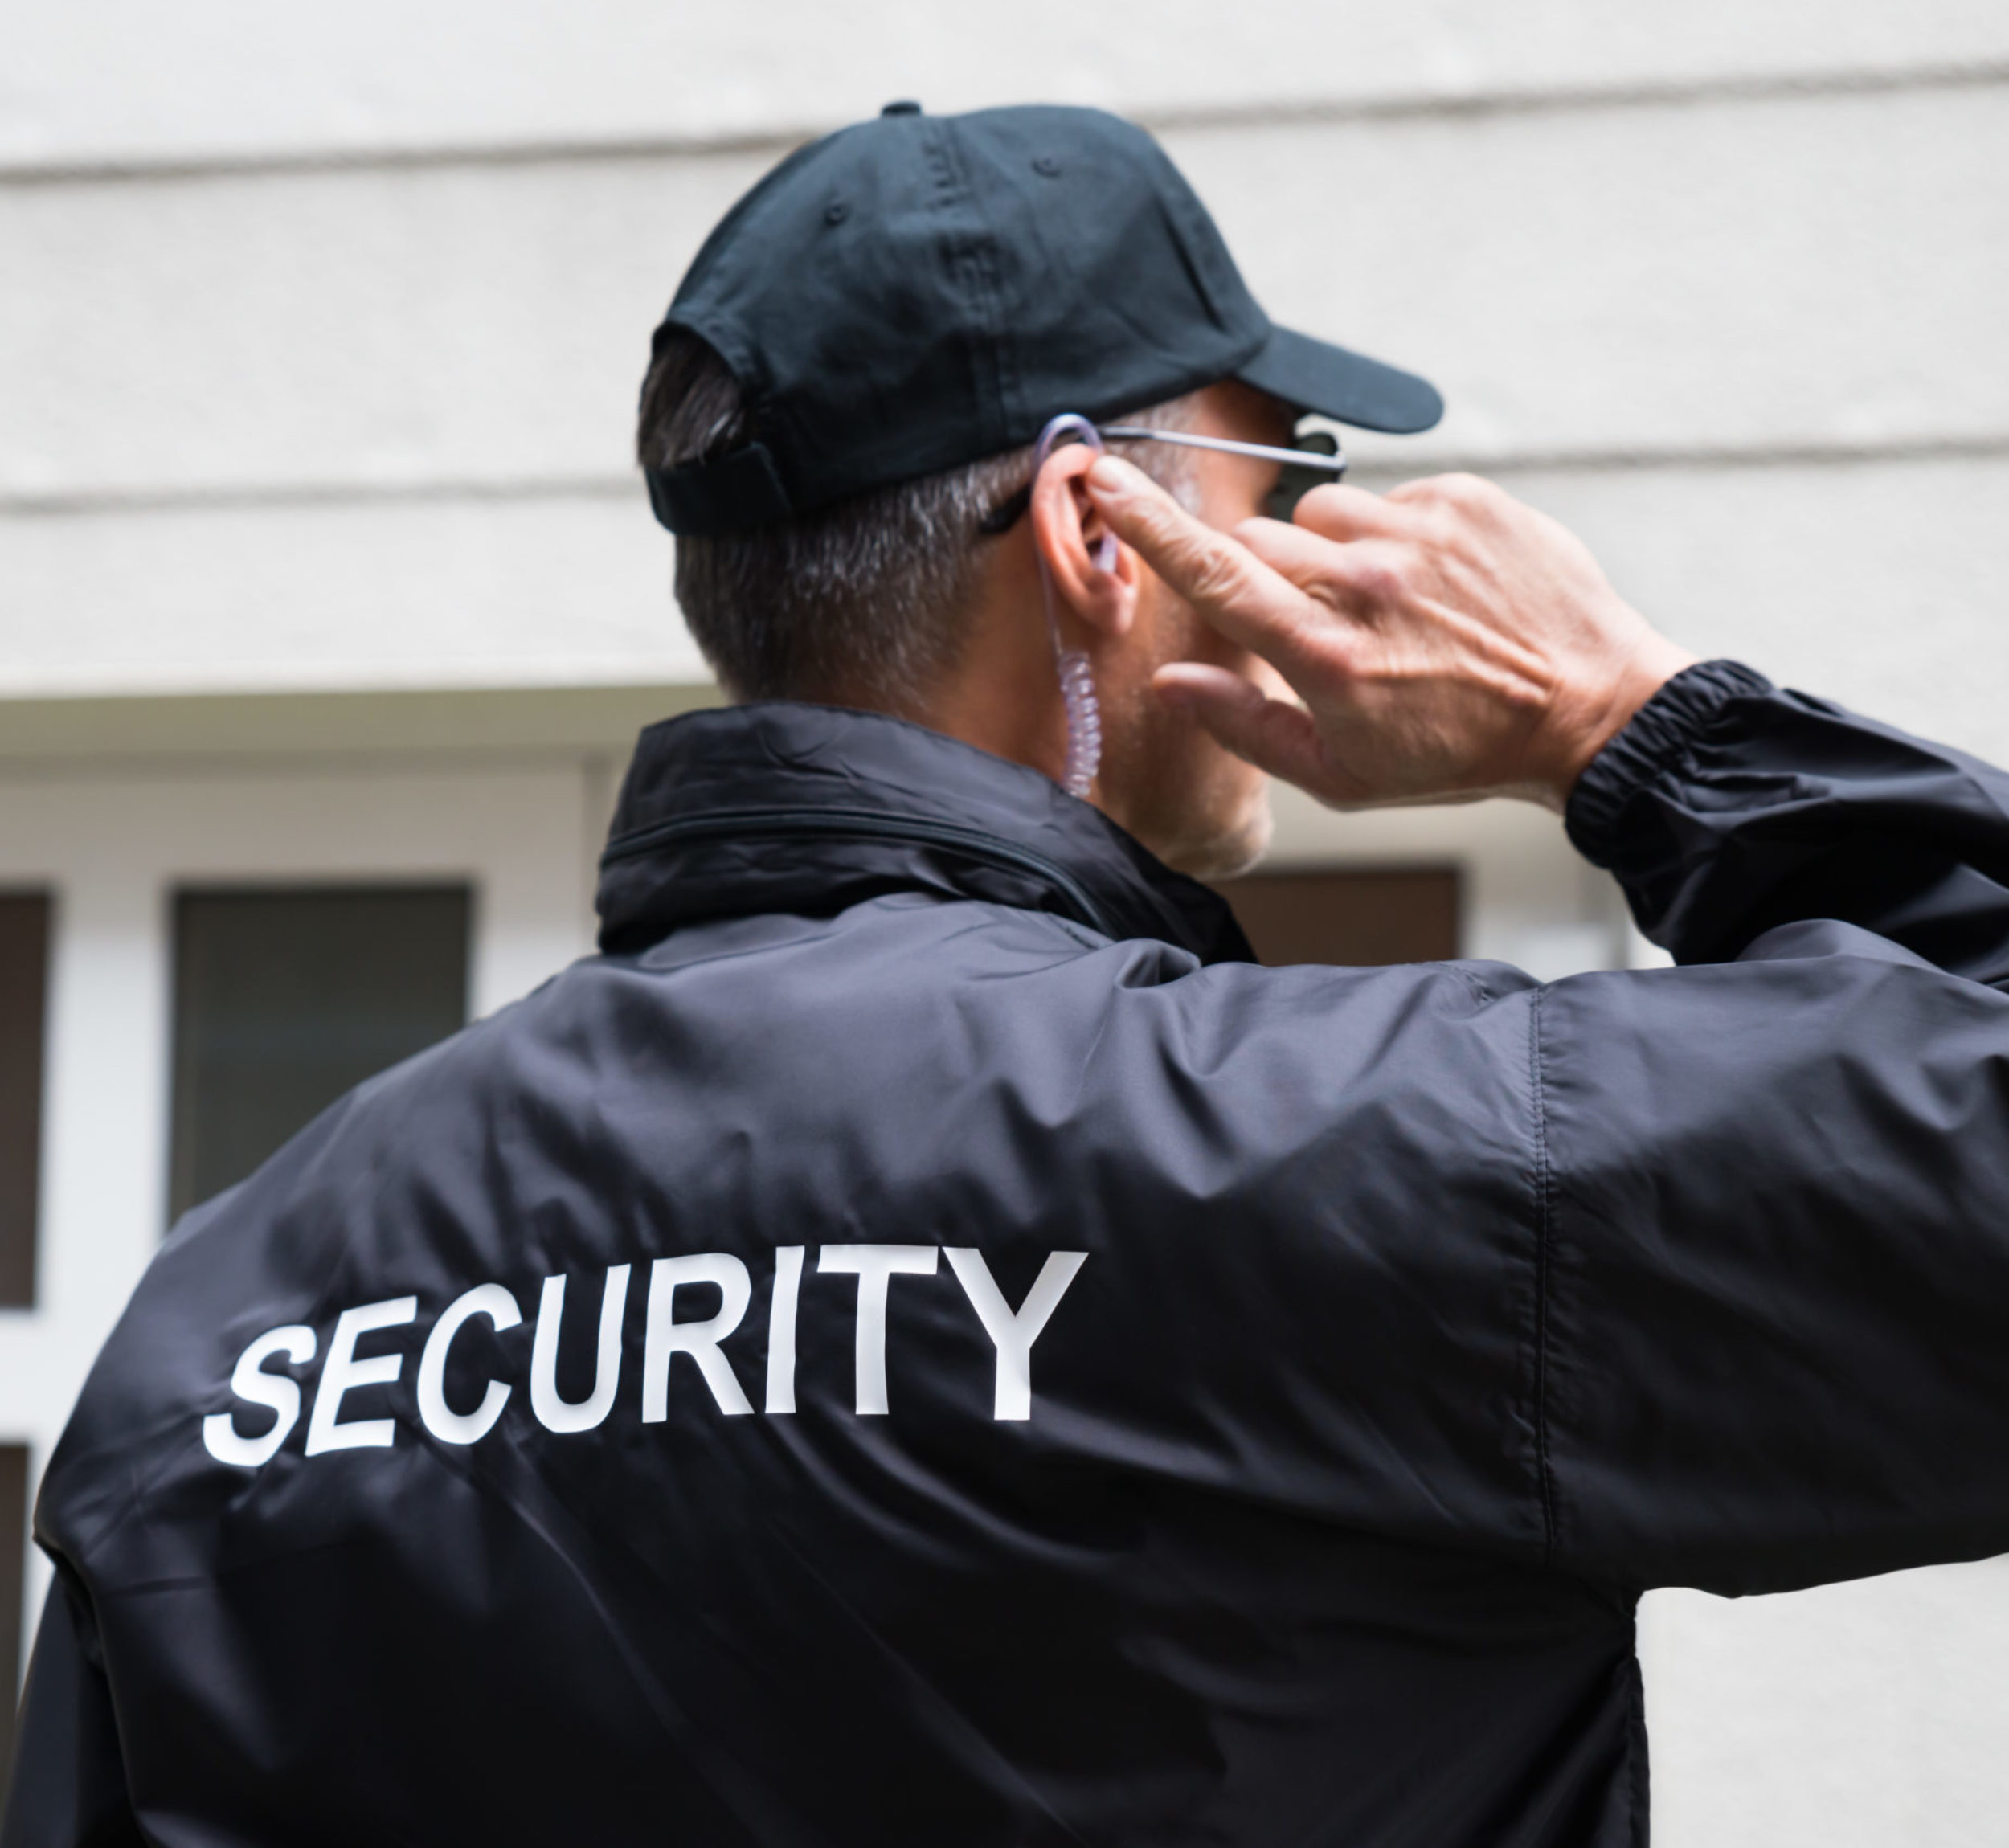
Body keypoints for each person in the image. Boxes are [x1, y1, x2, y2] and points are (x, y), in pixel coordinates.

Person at [6, 100, 2008, 1848]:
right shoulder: (1330, 1154)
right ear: (1097, 531)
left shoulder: (236, 1309)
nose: (1322, 532)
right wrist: (1621, 723)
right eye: (1282, 475)